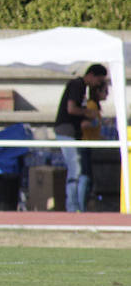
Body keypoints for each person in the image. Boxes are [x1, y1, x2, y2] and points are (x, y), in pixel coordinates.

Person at [54, 64, 108, 213]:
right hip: (67, 131)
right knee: (75, 169)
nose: (99, 84)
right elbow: (71, 108)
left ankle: (76, 206)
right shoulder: (77, 85)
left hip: (73, 132)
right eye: (99, 80)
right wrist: (87, 113)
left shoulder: (82, 88)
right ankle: (72, 208)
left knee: (78, 170)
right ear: (91, 75)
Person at [79, 81, 109, 211]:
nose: (107, 94)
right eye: (105, 91)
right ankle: (80, 207)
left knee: (89, 178)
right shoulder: (91, 105)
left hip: (91, 144)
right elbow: (84, 125)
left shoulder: (96, 107)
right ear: (98, 91)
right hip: (86, 144)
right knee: (85, 177)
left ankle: (85, 206)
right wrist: (94, 123)